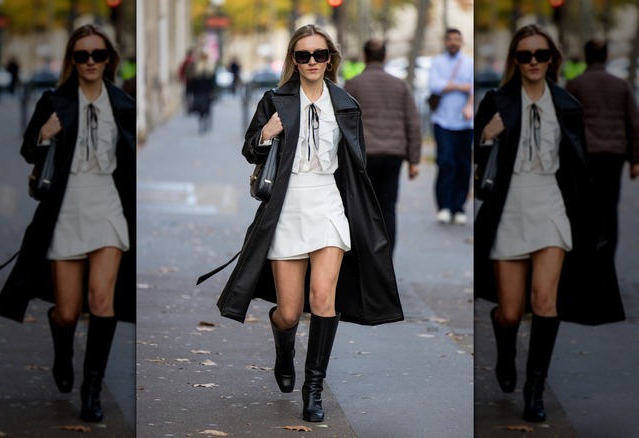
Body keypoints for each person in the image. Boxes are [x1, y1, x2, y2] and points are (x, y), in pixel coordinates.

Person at [197, 24, 403, 423]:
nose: (312, 62)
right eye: (303, 55)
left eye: (319, 55)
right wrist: (266, 133)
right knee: (290, 312)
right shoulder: (275, 100)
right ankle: (284, 347)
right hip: (287, 208)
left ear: (330, 60)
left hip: (328, 203)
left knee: (323, 300)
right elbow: (249, 150)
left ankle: (314, 389)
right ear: (293, 59)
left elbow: (355, 164)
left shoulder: (345, 103)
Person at [0, 24, 136, 422]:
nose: (90, 62)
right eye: (81, 55)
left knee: (103, 301)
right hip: (66, 206)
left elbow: (133, 158)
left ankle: (91, 389)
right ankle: (63, 348)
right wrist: (44, 134)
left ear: (108, 60)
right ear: (72, 60)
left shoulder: (123, 103)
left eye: (97, 55)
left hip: (107, 204)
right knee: (67, 311)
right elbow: (28, 151)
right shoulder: (54, 100)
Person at [474, 24, 624, 423]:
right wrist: (487, 136)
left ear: (553, 59)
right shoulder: (496, 101)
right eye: (525, 55)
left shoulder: (568, 105)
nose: (534, 62)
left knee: (544, 301)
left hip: (552, 205)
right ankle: (505, 351)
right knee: (510, 311)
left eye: (541, 54)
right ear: (515, 61)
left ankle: (534, 388)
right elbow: (479, 168)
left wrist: (595, 216)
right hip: (510, 205)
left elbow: (579, 166)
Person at [566, 39, 639, 259]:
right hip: (614, 155)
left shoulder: (576, 84)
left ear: (586, 56)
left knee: (585, 207)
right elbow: (634, 123)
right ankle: (607, 254)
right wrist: (635, 161)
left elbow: (566, 123)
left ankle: (587, 252)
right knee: (609, 207)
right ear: (607, 57)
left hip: (586, 156)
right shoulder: (620, 85)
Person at [344, 38, 422, 252]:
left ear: (365, 56)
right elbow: (413, 122)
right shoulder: (400, 85)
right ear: (385, 57)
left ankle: (366, 258)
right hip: (393, 155)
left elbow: (343, 122)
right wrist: (414, 160)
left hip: (365, 156)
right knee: (387, 208)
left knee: (362, 208)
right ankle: (387, 258)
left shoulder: (354, 84)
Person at [428, 28, 474, 225]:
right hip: (443, 121)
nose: (454, 42)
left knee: (463, 166)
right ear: (445, 42)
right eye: (450, 39)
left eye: (457, 38)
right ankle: (444, 207)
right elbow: (435, 86)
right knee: (446, 163)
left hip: (465, 122)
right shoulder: (437, 62)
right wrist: (460, 86)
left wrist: (468, 102)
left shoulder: (469, 63)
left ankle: (459, 207)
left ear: (462, 42)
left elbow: (472, 87)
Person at [189, 51, 216, 134]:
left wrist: (212, 91)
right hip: (199, 91)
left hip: (207, 92)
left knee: (206, 109)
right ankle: (201, 124)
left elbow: (212, 81)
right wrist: (193, 91)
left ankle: (205, 123)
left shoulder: (210, 66)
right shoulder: (197, 66)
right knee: (200, 109)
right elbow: (194, 81)